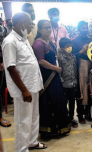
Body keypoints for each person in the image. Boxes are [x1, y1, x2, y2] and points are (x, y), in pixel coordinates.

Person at [2, 12, 47, 151]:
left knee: (34, 116)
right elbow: (11, 68)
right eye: (30, 23)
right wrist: (24, 90)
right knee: (23, 121)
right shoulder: (10, 42)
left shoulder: (24, 39)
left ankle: (32, 142)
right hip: (23, 89)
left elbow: (30, 63)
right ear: (21, 23)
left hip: (33, 86)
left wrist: (38, 84)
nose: (32, 26)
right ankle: (21, 149)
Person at [32, 20, 70, 138]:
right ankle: (48, 130)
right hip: (47, 77)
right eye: (45, 27)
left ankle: (60, 128)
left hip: (55, 76)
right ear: (39, 30)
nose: (48, 29)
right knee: (48, 101)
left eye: (49, 27)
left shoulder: (50, 42)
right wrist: (55, 68)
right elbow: (40, 60)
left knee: (58, 100)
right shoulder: (38, 43)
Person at [72, 21, 92, 123]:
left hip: (91, 65)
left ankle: (89, 113)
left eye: (86, 28)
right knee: (81, 89)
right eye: (83, 28)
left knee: (90, 89)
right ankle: (80, 114)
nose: (85, 30)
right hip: (81, 66)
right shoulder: (75, 41)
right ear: (79, 29)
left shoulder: (91, 40)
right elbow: (72, 56)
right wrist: (82, 50)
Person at [58, 38, 78, 128]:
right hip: (64, 84)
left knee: (72, 103)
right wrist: (61, 81)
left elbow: (74, 69)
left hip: (73, 83)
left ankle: (71, 118)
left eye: (70, 45)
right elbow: (59, 70)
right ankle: (65, 118)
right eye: (67, 46)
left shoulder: (73, 57)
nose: (70, 48)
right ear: (62, 48)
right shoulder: (60, 58)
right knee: (63, 102)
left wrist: (75, 81)